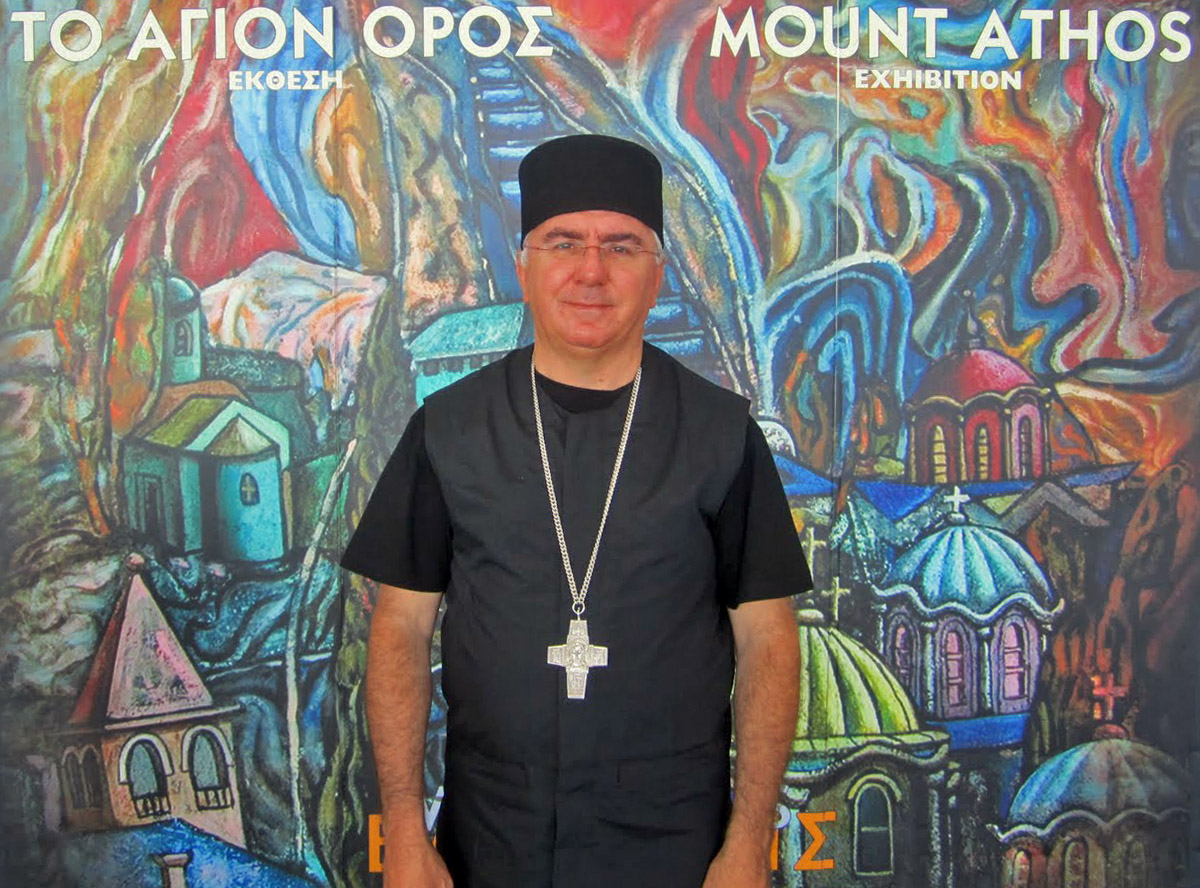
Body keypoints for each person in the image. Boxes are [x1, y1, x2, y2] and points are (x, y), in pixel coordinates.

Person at [341, 134, 811, 888]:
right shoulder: (449, 430)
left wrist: (751, 838)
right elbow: (400, 627)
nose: (591, 271)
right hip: (490, 842)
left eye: (621, 247)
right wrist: (401, 822)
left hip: (676, 848)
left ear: (657, 278)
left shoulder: (722, 436)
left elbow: (769, 641)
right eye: (564, 244)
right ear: (524, 269)